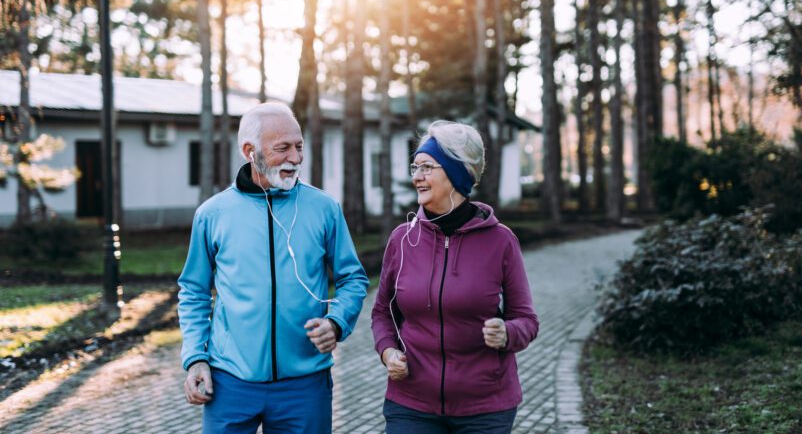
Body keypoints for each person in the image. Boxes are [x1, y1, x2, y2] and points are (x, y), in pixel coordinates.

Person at [178, 103, 369, 434]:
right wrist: (196, 357)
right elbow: (193, 291)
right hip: (229, 383)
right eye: (283, 148)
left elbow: (353, 278)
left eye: (299, 146)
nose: (295, 158)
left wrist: (337, 323)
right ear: (250, 151)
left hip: (305, 386)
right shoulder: (213, 214)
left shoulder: (324, 209)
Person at [371, 120, 540, 433]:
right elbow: (382, 313)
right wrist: (387, 351)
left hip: (485, 408)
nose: (417, 177)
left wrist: (506, 333)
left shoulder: (500, 241)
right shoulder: (402, 239)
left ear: (457, 172)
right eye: (415, 167)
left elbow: (527, 321)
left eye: (427, 167)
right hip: (411, 404)